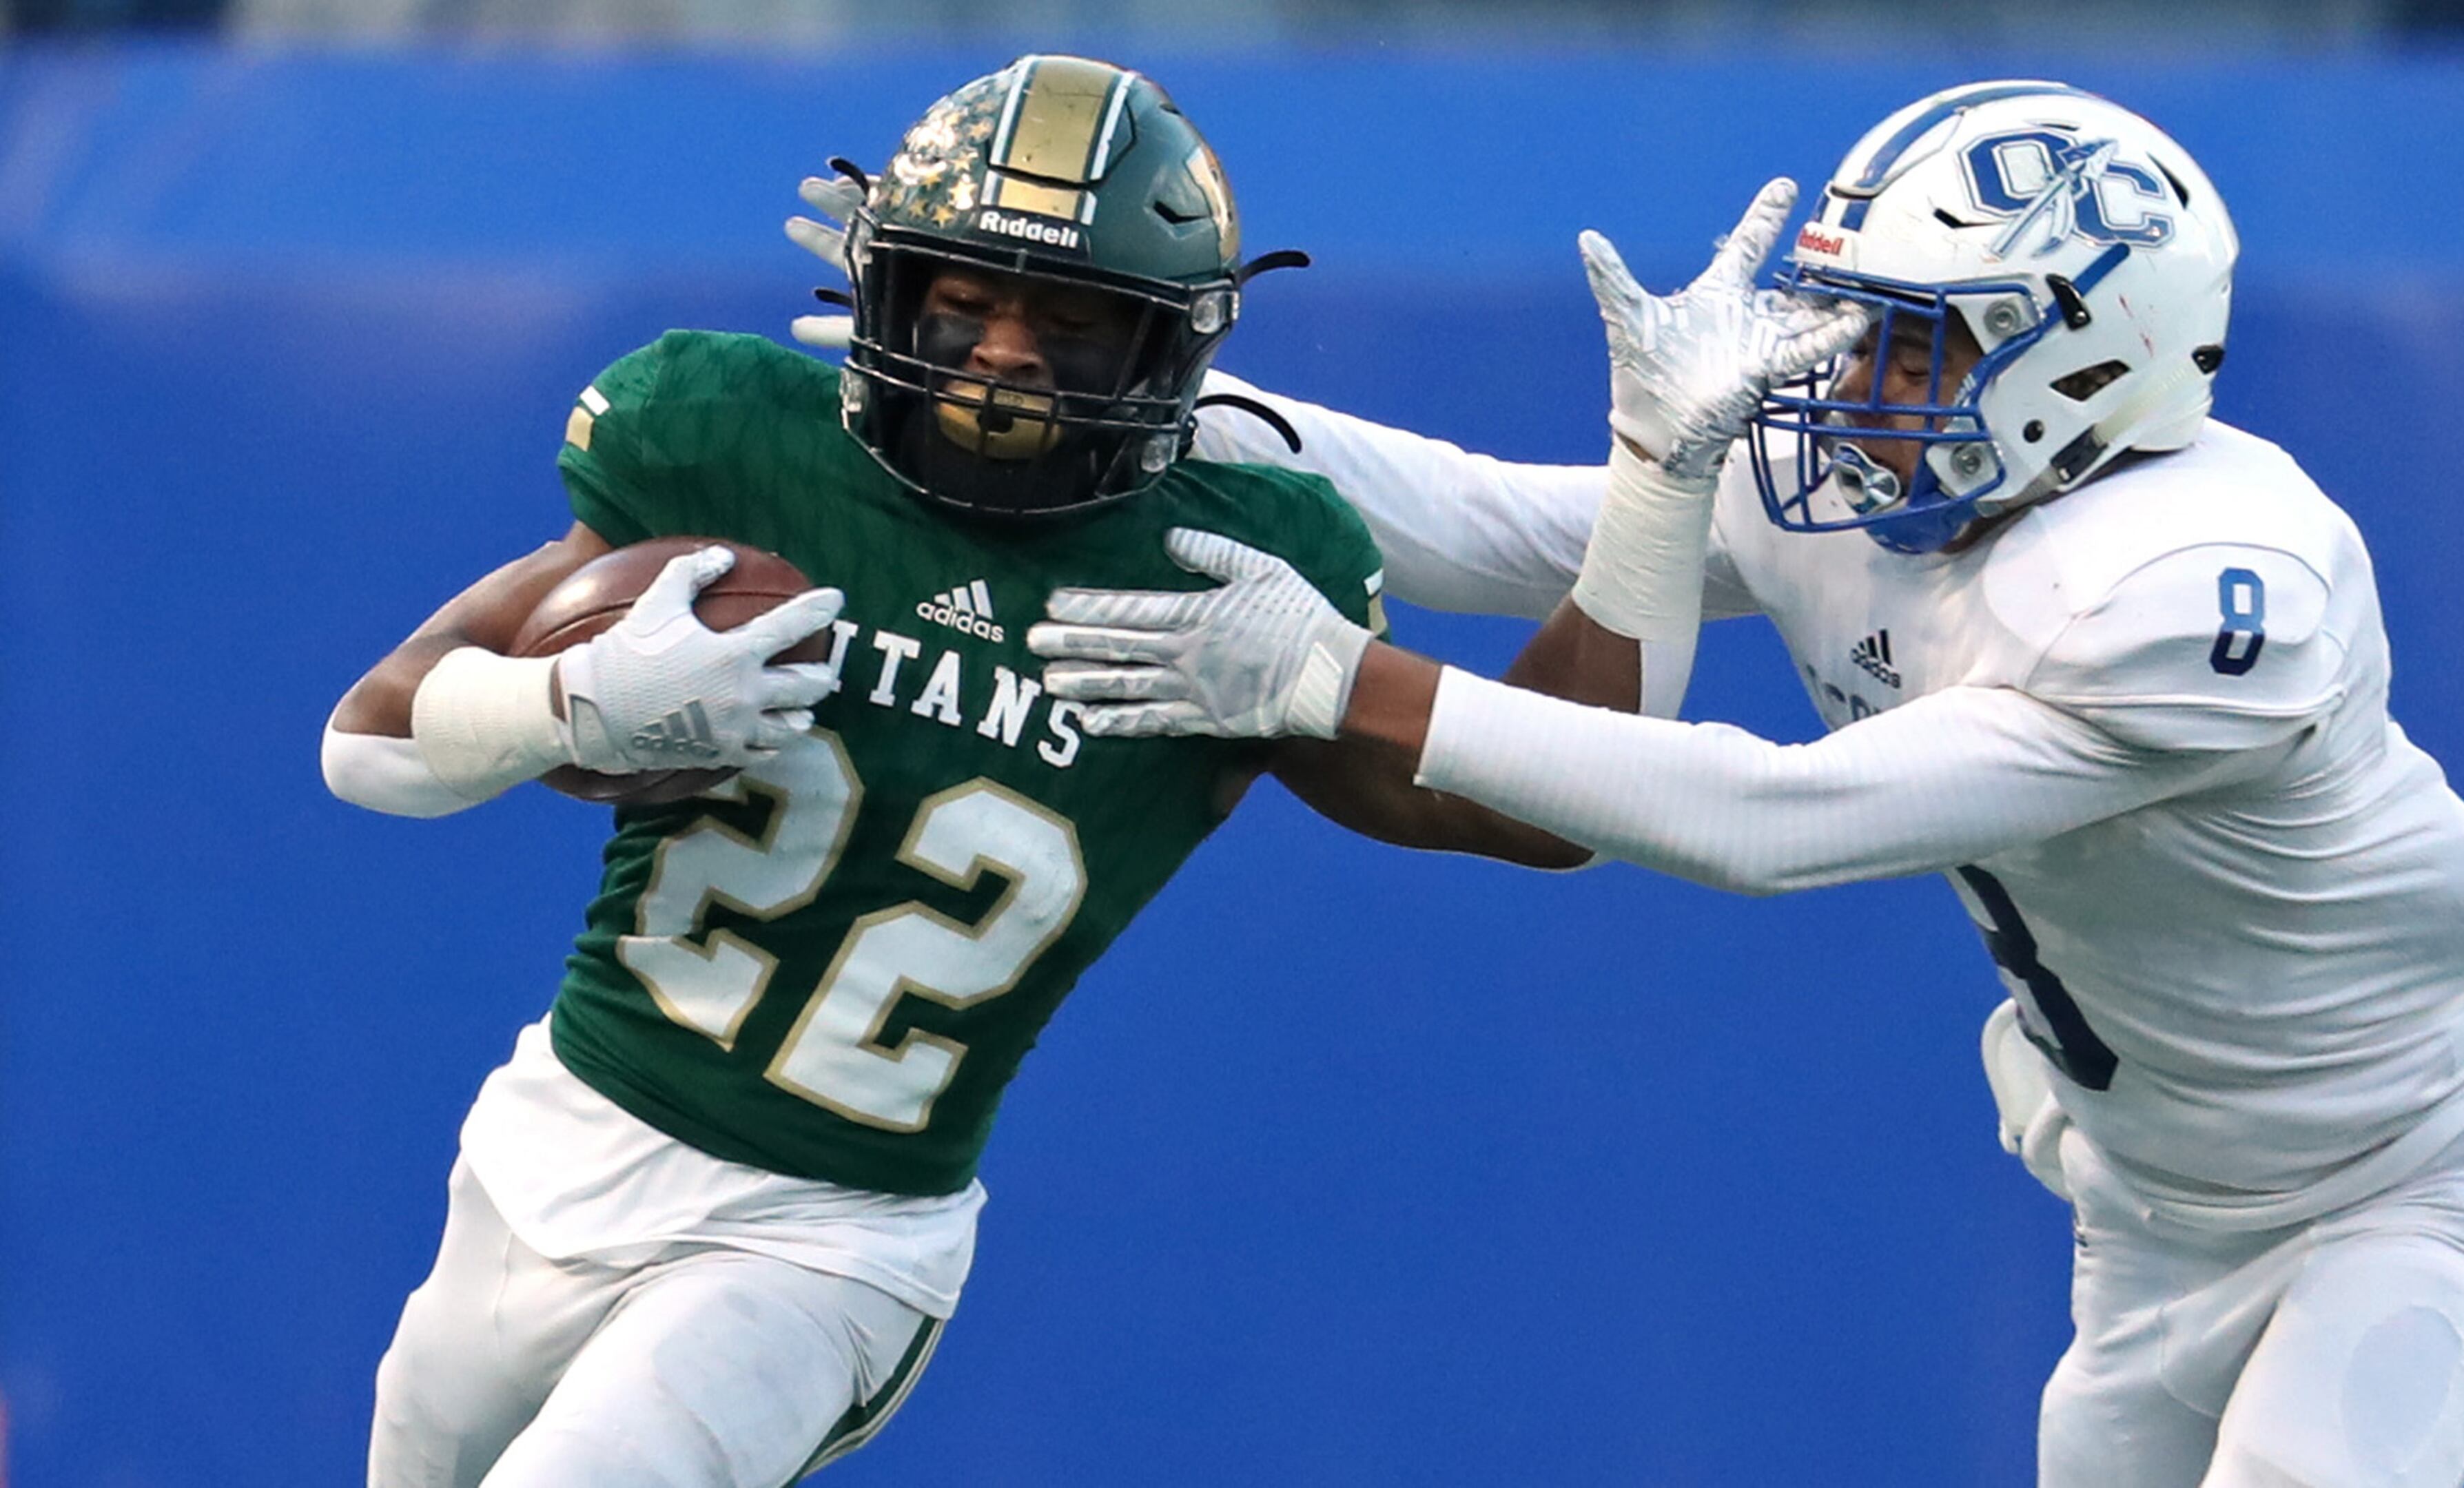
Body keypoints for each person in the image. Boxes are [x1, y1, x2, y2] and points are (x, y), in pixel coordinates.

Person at [998, 81, 2464, 1487]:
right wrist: (1145, 403)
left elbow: (1775, 826)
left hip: (2405, 1177)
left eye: (1915, 343)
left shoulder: (2202, 589)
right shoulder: (1880, 487)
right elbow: (1493, 525)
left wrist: (1347, 680)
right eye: (1860, 326)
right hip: (2157, 1207)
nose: (1855, 385)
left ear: (2089, 357)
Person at [320, 54, 1859, 1488]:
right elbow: (372, 744)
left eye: (1072, 323)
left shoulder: (1228, 560)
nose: (1004, 357)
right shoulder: (733, 441)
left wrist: (1659, 484)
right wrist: (576, 700)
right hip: (551, 1137)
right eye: (966, 301)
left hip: (823, 1238)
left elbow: (1546, 817)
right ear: (886, 288)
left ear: (1169, 345)